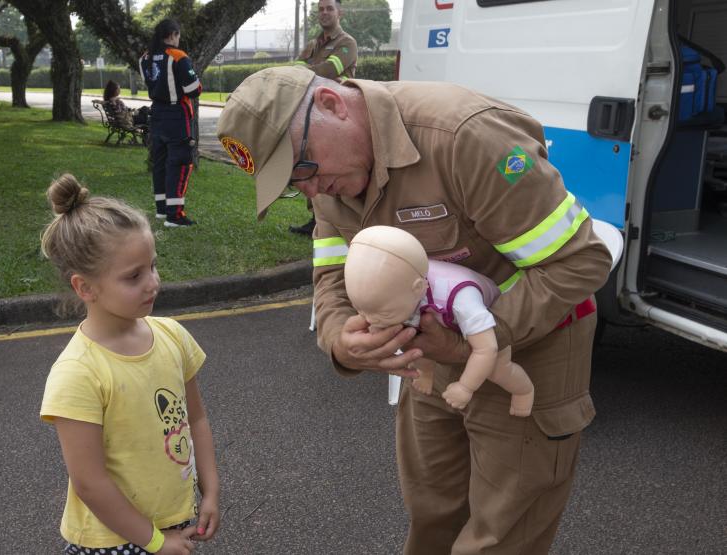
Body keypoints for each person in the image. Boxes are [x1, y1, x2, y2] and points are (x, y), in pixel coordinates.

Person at [217, 66, 612, 554]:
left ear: (332, 105)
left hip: (528, 350)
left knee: (500, 534)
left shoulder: (464, 137)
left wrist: (473, 342)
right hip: (431, 356)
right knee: (432, 514)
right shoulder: (329, 176)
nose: (311, 192)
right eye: (293, 185)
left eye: (303, 170)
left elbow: (579, 261)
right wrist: (341, 340)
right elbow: (331, 276)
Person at [39, 173, 220, 555]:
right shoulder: (78, 372)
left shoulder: (172, 337)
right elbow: (89, 482)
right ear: (85, 288)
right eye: (133, 276)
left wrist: (211, 491)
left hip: (174, 523)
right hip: (111, 541)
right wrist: (155, 542)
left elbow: (196, 419)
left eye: (152, 266)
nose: (152, 282)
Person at [344, 225, 534, 417]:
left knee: (497, 369)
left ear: (418, 288)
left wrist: (465, 387)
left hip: (487, 319)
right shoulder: (400, 286)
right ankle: (427, 370)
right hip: (436, 313)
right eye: (360, 309)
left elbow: (487, 348)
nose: (367, 319)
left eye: (380, 313)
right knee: (416, 334)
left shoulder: (462, 299)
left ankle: (524, 391)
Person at [289, 0, 358, 237]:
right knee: (313, 166)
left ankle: (340, 221)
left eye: (329, 8)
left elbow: (330, 71)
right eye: (321, 9)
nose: (325, 13)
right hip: (310, 114)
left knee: (333, 168)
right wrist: (303, 70)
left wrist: (305, 70)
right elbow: (294, 70)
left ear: (340, 12)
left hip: (336, 117)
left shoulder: (347, 43)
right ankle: (317, 220)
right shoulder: (311, 45)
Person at [139, 19, 202, 227]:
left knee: (160, 162)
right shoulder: (178, 56)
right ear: (173, 34)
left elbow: (151, 82)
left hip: (156, 113)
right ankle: (175, 216)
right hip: (176, 114)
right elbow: (194, 89)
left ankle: (162, 209)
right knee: (180, 161)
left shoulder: (145, 58)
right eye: (178, 35)